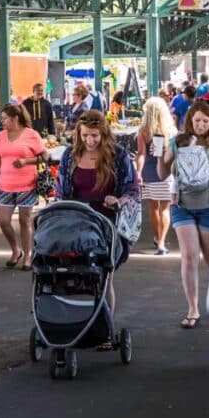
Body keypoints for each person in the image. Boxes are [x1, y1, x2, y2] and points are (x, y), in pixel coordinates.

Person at [56, 110, 139, 327]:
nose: (89, 141)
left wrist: (119, 200)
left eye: (94, 136)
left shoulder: (118, 156)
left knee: (104, 276)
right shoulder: (69, 156)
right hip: (75, 221)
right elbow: (60, 190)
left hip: (106, 223)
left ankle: (105, 325)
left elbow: (132, 187)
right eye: (84, 136)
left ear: (103, 133)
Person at [158, 101, 209, 329]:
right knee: (189, 256)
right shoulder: (177, 141)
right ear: (190, 119)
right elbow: (163, 174)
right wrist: (160, 156)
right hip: (182, 205)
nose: (200, 125)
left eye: (205, 121)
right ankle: (193, 308)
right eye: (196, 120)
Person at [0, 104, 47, 270]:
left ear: (15, 119)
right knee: (3, 221)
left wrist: (26, 161)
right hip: (5, 184)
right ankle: (16, 249)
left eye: (5, 118)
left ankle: (27, 255)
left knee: (24, 220)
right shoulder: (0, 137)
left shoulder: (31, 135)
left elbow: (44, 156)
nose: (2, 121)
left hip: (27, 184)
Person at [135, 97, 177, 255]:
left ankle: (158, 237)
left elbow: (141, 154)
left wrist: (138, 172)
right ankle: (161, 242)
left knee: (153, 207)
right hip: (165, 173)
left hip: (149, 173)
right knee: (165, 209)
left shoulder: (143, 131)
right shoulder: (171, 131)